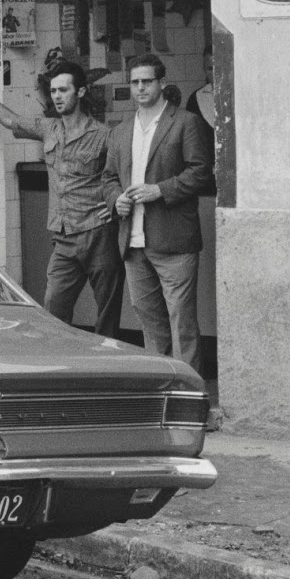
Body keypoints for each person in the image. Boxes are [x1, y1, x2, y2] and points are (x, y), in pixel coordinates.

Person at [0, 57, 124, 337]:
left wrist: (115, 203)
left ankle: (105, 371)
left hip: (98, 234)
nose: (57, 96)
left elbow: (124, 173)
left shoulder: (104, 136)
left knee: (107, 313)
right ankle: (61, 367)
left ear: (81, 92)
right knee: (53, 307)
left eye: (64, 90)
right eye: (54, 91)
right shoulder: (50, 128)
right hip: (63, 237)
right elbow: (10, 120)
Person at [102, 52, 211, 372]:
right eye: (134, 82)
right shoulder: (120, 131)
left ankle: (191, 397)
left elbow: (201, 172)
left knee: (182, 324)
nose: (140, 88)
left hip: (174, 239)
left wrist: (160, 190)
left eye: (146, 81)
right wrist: (115, 201)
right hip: (133, 243)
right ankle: (163, 392)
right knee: (150, 325)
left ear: (162, 83)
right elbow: (108, 178)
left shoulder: (185, 122)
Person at [187, 45, 217, 194]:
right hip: (207, 180)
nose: (215, 73)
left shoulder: (243, 96)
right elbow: (191, 145)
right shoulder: (195, 100)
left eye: (219, 66)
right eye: (210, 69)